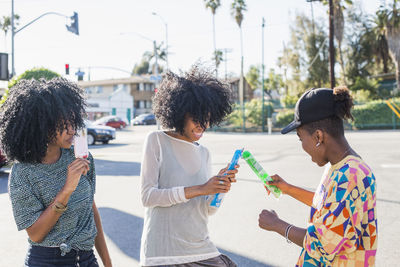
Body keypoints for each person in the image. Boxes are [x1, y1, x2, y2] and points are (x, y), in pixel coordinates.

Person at [258, 87, 377, 266]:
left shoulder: (350, 176)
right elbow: (330, 207)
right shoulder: (341, 166)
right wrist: (288, 189)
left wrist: (276, 224)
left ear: (318, 136)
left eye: (300, 138)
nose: (302, 146)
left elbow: (321, 243)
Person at [0, 78, 112, 267]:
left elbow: (91, 211)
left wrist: (107, 263)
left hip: (87, 259)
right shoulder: (23, 173)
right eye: (63, 124)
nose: (71, 130)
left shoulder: (80, 157)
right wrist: (67, 190)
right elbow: (36, 234)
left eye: (73, 121)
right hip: (47, 261)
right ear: (41, 125)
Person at [140, 67, 239, 267]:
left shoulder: (204, 153)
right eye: (197, 119)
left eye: (208, 119)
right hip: (162, 253)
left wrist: (219, 189)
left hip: (201, 249)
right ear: (179, 112)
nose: (203, 126)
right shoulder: (156, 140)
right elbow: (148, 197)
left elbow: (207, 210)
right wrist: (202, 188)